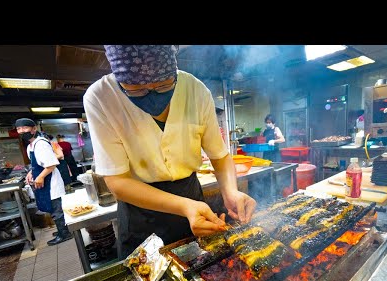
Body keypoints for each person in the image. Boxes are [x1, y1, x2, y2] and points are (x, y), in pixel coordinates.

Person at [83, 45, 257, 259]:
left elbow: (219, 155)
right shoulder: (100, 97)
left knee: (204, 265)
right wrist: (185, 207)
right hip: (141, 209)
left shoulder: (195, 90)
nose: (152, 95)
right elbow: (117, 182)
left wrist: (231, 191)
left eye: (164, 86)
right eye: (136, 89)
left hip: (191, 193)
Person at [15, 118, 73, 246]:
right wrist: (31, 173)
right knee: (51, 208)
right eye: (19, 129)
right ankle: (61, 230)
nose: (21, 131)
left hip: (51, 182)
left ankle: (65, 234)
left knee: (56, 209)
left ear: (34, 129)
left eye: (24, 128)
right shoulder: (31, 145)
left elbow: (51, 164)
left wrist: (40, 177)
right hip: (44, 181)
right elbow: (37, 164)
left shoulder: (41, 143)